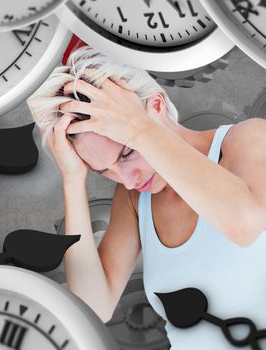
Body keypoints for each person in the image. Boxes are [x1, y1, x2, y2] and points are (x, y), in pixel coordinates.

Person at [27, 46, 266, 349]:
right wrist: (73, 179)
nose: (128, 179)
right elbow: (91, 307)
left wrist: (138, 129)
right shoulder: (134, 198)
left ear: (157, 104)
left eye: (126, 152)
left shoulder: (247, 140)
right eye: (104, 170)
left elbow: (244, 224)